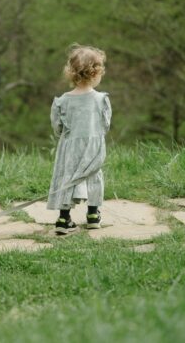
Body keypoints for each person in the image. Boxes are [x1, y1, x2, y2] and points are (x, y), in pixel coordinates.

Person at [47, 44, 111, 235]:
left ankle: (63, 218)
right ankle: (93, 214)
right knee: (93, 177)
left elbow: (57, 126)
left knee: (67, 178)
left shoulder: (62, 101)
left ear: (71, 72)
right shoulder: (101, 100)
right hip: (93, 146)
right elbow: (105, 125)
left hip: (69, 146)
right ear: (96, 73)